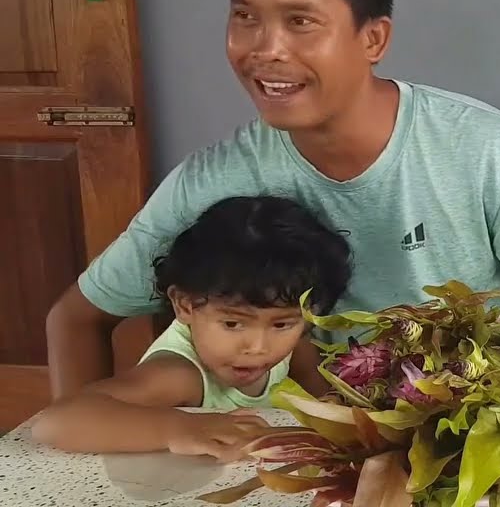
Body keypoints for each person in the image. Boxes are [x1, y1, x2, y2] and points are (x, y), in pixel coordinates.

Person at [45, 0, 500, 399]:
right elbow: (76, 318)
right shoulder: (212, 181)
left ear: (373, 39)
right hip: (289, 441)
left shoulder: (489, 151)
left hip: (464, 427)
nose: (266, 49)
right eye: (245, 17)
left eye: (300, 21)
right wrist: (77, 452)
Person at [33, 196, 351, 458]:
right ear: (185, 305)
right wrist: (180, 428)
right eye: (232, 323)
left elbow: (329, 404)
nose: (258, 347)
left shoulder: (292, 344)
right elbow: (56, 422)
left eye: (281, 323)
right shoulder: (179, 374)